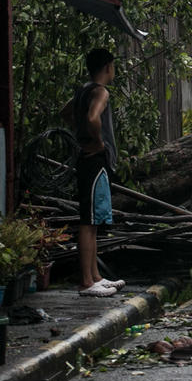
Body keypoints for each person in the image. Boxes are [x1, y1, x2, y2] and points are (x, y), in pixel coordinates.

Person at [64, 48, 125, 297]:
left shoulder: (83, 90)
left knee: (94, 220)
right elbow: (92, 118)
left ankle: (97, 277)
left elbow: (66, 113)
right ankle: (88, 282)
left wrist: (81, 136)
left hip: (86, 158)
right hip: (94, 159)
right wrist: (97, 141)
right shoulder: (100, 91)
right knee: (89, 222)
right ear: (108, 66)